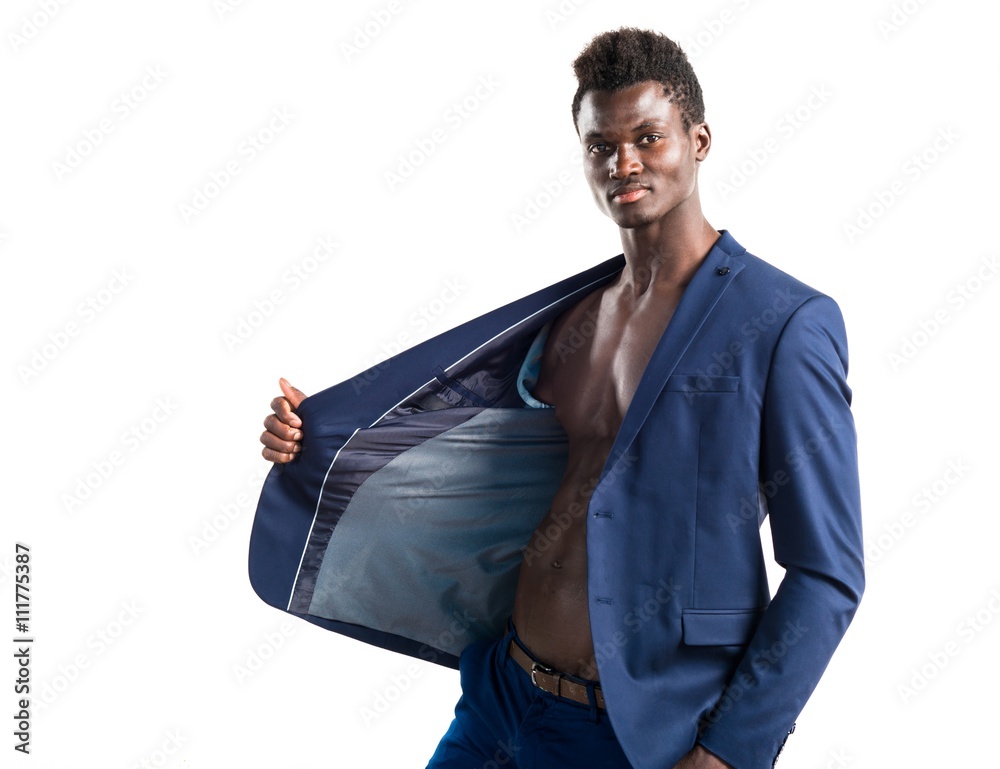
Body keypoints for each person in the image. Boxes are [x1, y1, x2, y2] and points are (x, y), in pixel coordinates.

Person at [254, 27, 864, 769]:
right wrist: (324, 435)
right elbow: (470, 447)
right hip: (502, 695)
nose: (623, 163)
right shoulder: (576, 319)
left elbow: (828, 572)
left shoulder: (784, 322)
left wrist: (729, 751)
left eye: (648, 138)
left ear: (699, 141)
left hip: (636, 732)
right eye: (601, 145)